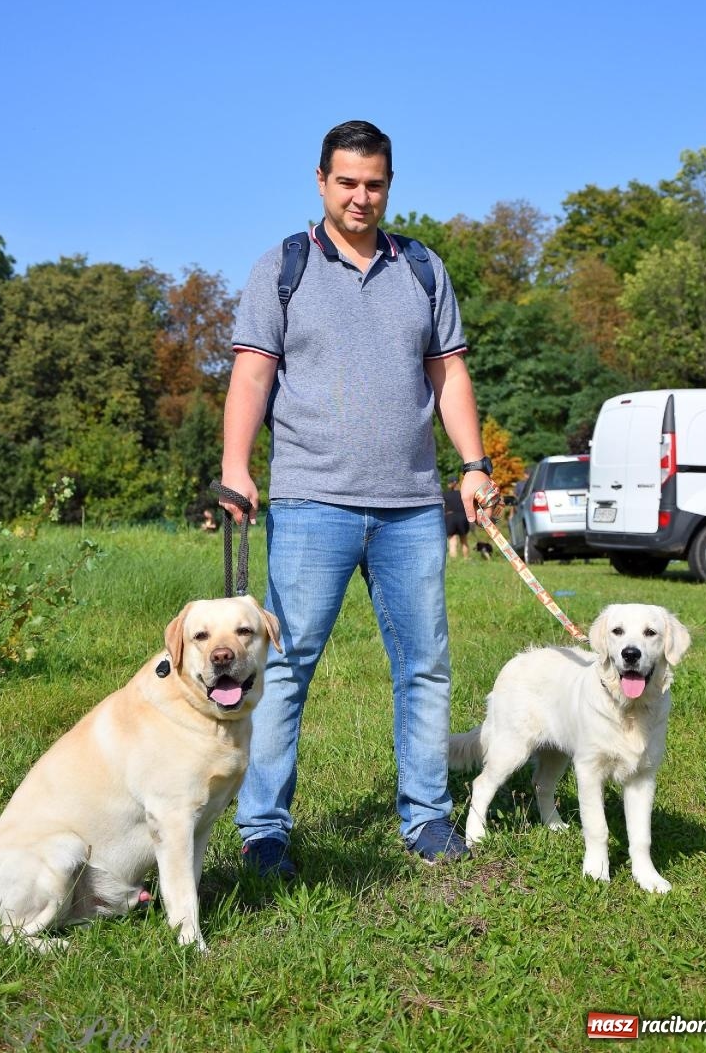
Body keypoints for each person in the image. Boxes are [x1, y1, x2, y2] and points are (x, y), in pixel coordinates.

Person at [220, 120, 500, 875]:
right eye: (346, 182)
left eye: (374, 184)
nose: (360, 197)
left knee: (425, 666)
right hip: (311, 501)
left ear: (390, 185)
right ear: (321, 181)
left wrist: (474, 465)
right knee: (285, 667)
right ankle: (264, 830)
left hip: (412, 505)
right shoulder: (283, 267)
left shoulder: (423, 268)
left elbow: (449, 374)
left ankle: (427, 818)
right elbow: (251, 374)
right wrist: (236, 466)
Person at [443, 477, 471, 560]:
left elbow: (443, 508)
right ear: (457, 483)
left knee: (452, 541)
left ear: (449, 484)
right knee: (464, 540)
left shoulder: (445, 495)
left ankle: (454, 561)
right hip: (462, 517)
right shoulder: (463, 494)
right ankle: (466, 559)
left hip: (450, 518)